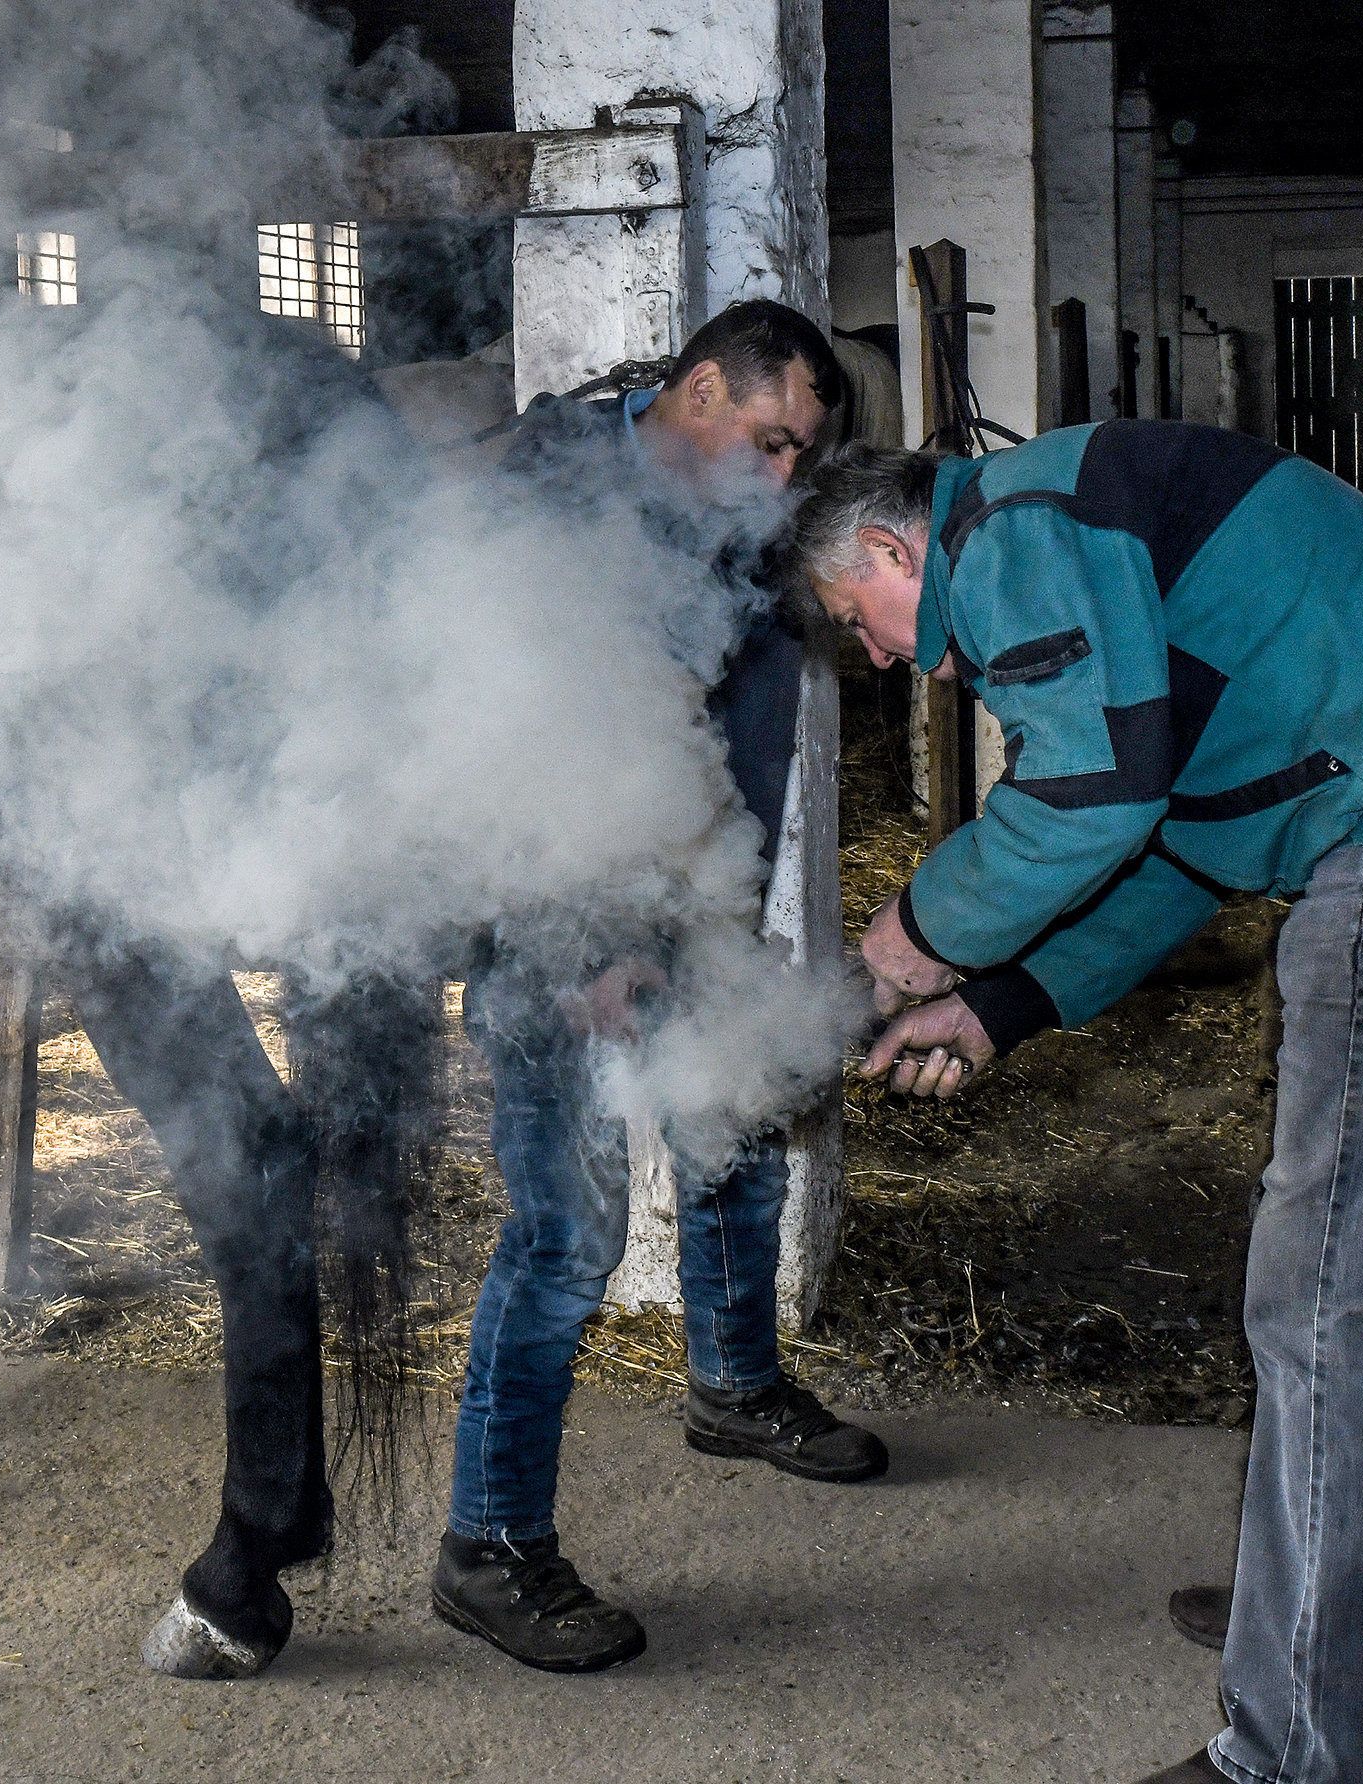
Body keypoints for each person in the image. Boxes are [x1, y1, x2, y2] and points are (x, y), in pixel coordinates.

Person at [792, 422, 1363, 1783]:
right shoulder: (1081, 552)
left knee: (1319, 1299)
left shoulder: (1012, 522)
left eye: (859, 622)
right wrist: (1002, 1007)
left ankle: (1299, 1747)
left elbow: (1091, 795)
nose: (884, 659)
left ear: (892, 548)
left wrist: (902, 945)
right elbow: (1177, 838)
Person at [431, 300, 891, 1677]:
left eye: (800, 456)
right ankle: (487, 1546)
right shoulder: (549, 492)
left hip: (697, 883)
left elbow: (735, 710)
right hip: (556, 913)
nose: (780, 477)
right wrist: (588, 942)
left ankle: (735, 1383)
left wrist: (717, 910)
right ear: (697, 391)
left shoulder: (739, 509)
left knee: (735, 1123)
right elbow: (507, 738)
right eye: (767, 440)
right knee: (565, 1233)